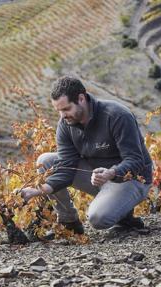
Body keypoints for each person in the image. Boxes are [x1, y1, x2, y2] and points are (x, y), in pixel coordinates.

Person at [20, 76, 153, 235]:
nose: (62, 115)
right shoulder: (65, 125)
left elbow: (135, 160)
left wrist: (111, 173)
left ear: (81, 99)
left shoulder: (116, 115)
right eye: (59, 111)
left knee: (98, 218)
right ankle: (69, 222)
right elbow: (65, 168)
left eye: (66, 109)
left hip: (132, 178)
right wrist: (37, 191)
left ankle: (125, 218)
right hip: (96, 177)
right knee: (46, 161)